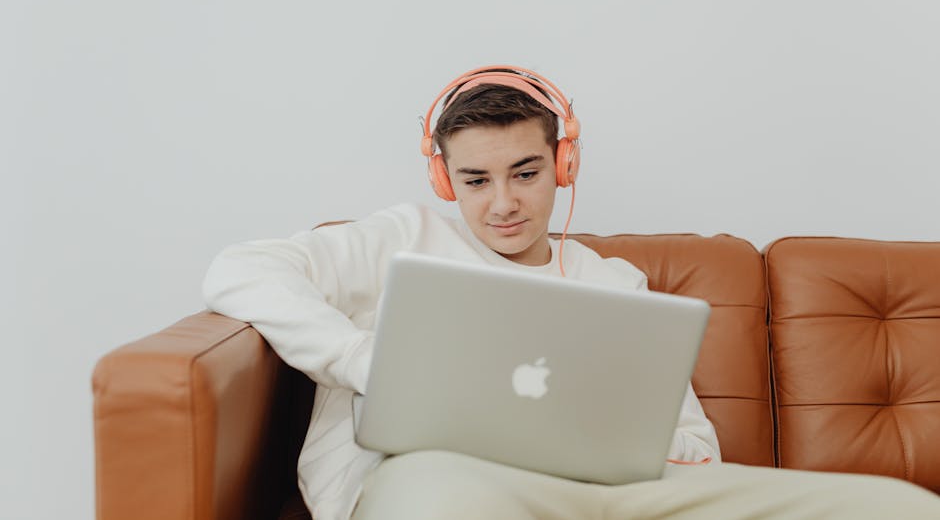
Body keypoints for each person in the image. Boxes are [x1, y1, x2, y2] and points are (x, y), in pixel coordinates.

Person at [203, 66, 940, 520]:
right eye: (476, 180)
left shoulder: (610, 281)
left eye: (525, 172)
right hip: (438, 479)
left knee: (899, 507)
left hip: (614, 495)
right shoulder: (401, 237)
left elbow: (695, 448)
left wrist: (608, 437)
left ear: (563, 165)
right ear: (442, 178)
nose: (502, 204)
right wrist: (373, 362)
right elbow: (239, 269)